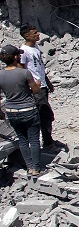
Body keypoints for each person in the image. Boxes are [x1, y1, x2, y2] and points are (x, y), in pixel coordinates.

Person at [0, 46, 45, 174]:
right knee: (34, 140)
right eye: (18, 55)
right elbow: (36, 91)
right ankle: (36, 168)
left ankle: (29, 166)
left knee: (22, 139)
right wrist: (35, 85)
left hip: (11, 111)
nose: (20, 57)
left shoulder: (0, 74)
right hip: (28, 109)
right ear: (14, 57)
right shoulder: (24, 73)